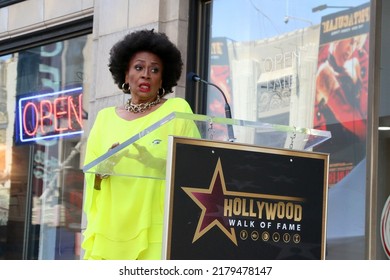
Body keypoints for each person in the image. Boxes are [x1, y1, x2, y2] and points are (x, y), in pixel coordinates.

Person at [82, 29, 200, 260]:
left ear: (163, 78)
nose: (146, 75)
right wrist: (106, 166)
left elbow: (195, 168)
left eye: (154, 70)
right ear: (125, 75)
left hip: (155, 230)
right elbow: (91, 178)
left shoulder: (177, 111)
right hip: (110, 230)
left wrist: (155, 162)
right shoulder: (105, 118)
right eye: (138, 68)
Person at [313, 36, 368, 165]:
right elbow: (347, 115)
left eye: (355, 44)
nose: (351, 48)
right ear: (337, 40)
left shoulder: (352, 66)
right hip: (337, 154)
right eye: (350, 41)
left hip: (355, 152)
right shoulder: (324, 75)